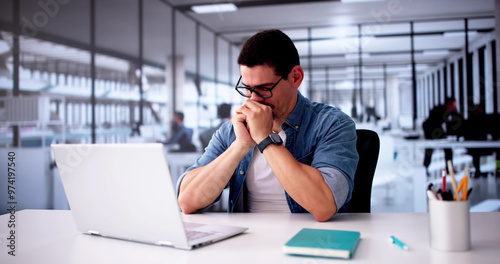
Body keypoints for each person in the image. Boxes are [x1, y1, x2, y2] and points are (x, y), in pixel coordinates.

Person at [176, 29, 359, 222]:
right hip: (247, 243)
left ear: (295, 77)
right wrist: (240, 146)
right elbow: (187, 202)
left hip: (311, 240)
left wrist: (265, 138)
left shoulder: (333, 124)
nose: (254, 99)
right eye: (247, 88)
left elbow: (323, 207)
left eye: (264, 88)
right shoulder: (232, 131)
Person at [422, 97, 464, 175]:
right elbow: (433, 124)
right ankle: (425, 168)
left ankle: (449, 169)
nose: (454, 106)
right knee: (429, 149)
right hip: (430, 129)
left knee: (448, 149)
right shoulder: (439, 110)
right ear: (448, 104)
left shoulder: (451, 111)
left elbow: (457, 120)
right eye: (452, 105)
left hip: (437, 130)